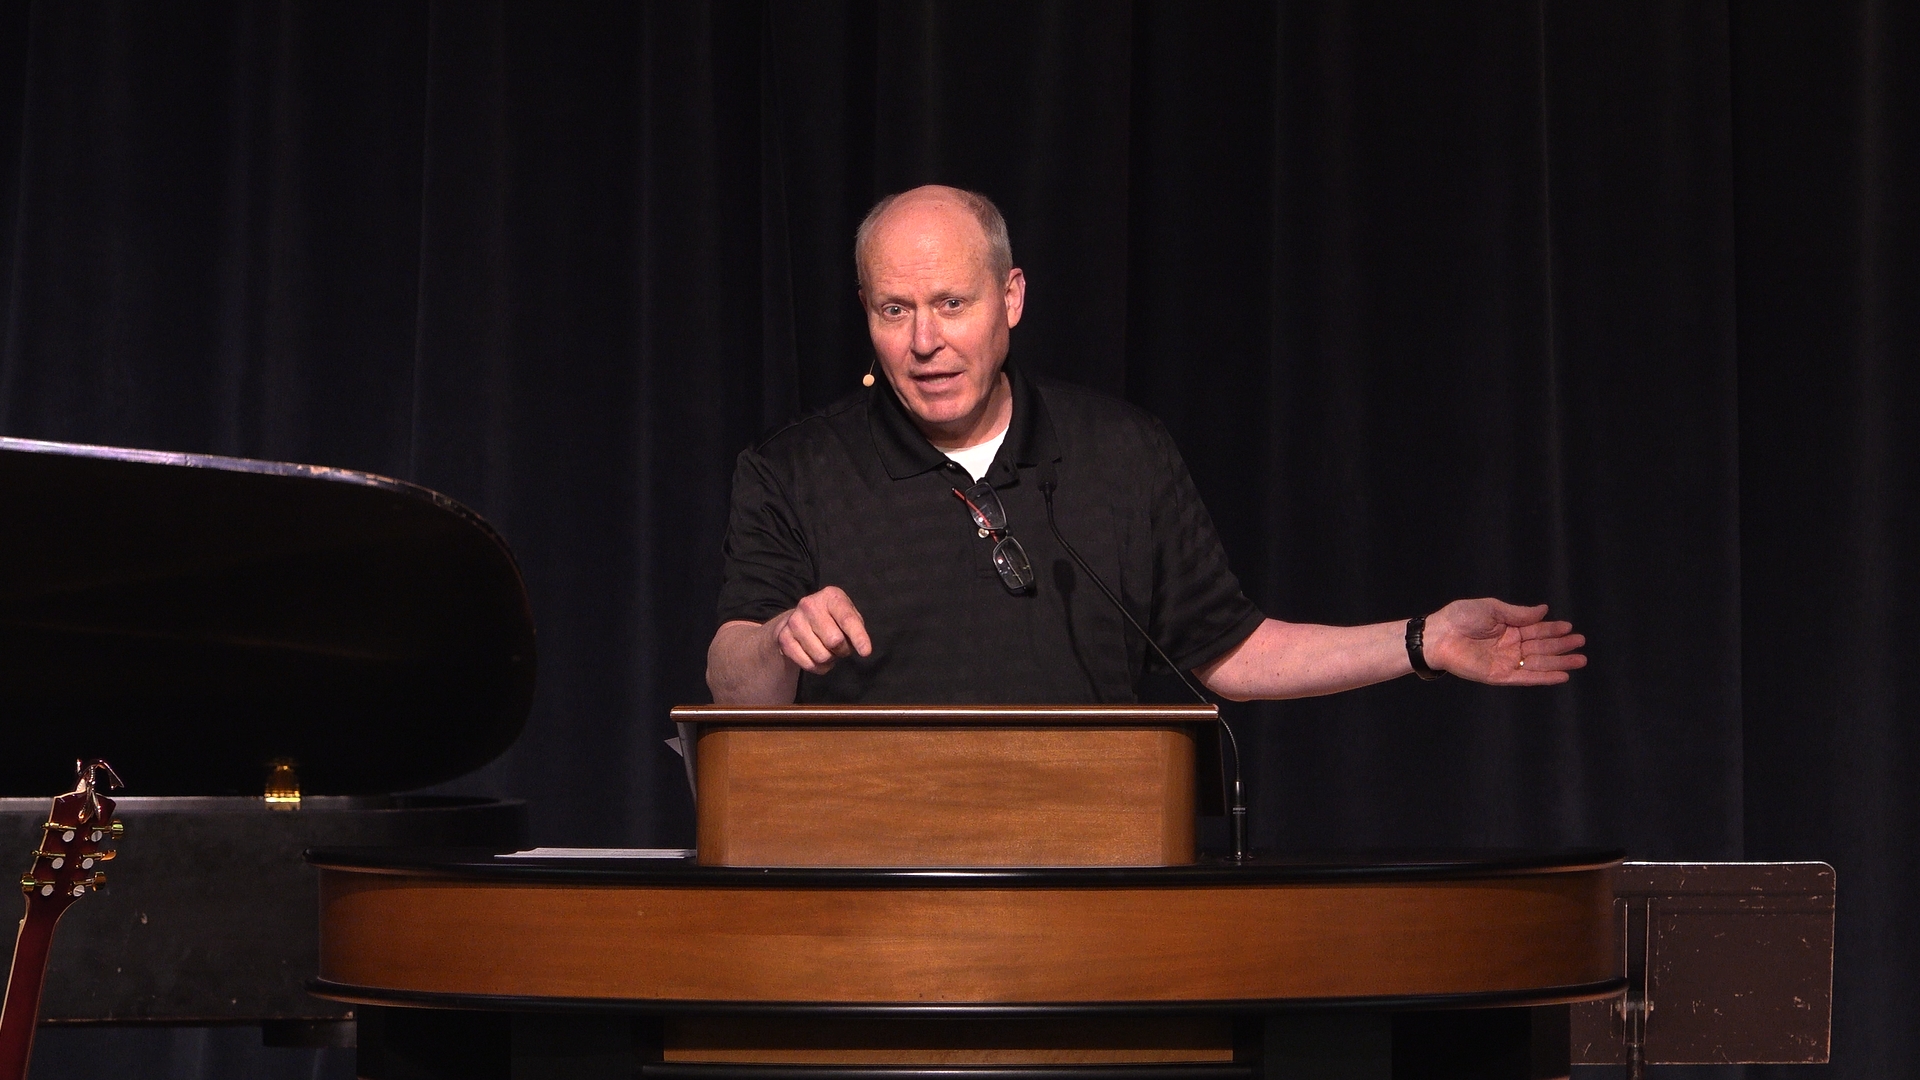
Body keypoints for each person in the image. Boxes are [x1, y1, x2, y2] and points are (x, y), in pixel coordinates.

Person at [706, 185, 1585, 705]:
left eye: (952, 304)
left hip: (1094, 887)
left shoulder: (1121, 452)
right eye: (895, 310)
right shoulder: (792, 470)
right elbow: (731, 682)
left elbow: (1231, 649)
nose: (924, 342)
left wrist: (1422, 640)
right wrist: (780, 636)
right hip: (876, 890)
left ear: (1011, 298)